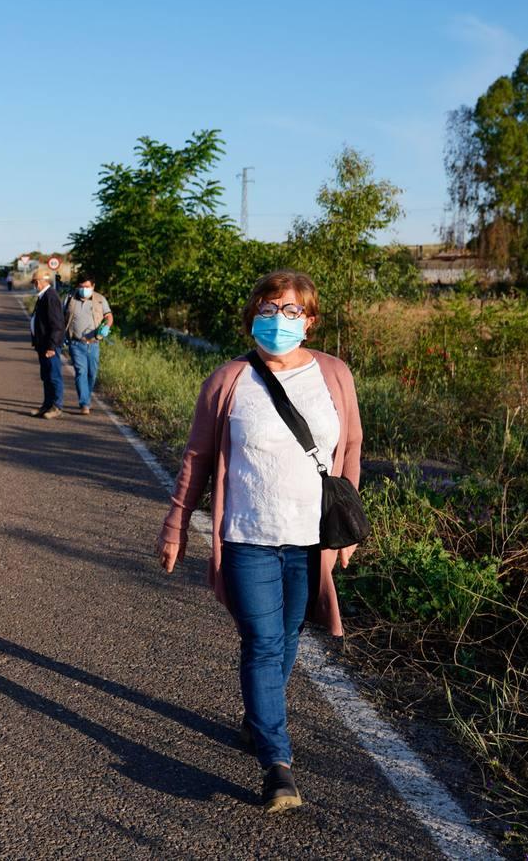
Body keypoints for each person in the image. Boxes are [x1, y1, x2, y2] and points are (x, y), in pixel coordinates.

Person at [158, 270, 362, 814]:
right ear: (253, 316)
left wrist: (345, 532)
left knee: (291, 633)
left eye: (291, 311)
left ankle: (257, 720)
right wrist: (176, 524)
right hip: (247, 535)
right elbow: (197, 459)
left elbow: (351, 452)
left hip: (311, 537)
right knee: (263, 642)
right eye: (269, 309)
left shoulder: (334, 375)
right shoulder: (229, 379)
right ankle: (277, 765)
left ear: (311, 319)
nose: (279, 320)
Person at [64, 274, 114, 415]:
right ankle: (84, 404)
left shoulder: (100, 300)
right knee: (81, 372)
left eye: (87, 287)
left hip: (93, 344)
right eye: (81, 286)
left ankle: (86, 397)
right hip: (75, 343)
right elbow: (62, 316)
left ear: (93, 286)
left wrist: (107, 327)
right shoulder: (69, 298)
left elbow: (109, 316)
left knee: (92, 374)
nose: (84, 289)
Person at [29, 268, 64, 419]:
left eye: (35, 282)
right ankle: (47, 405)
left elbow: (57, 324)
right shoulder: (43, 296)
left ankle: (56, 406)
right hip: (42, 344)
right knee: (46, 376)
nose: (35, 285)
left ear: (43, 282)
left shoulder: (51, 297)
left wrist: (52, 346)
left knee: (54, 375)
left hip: (49, 346)